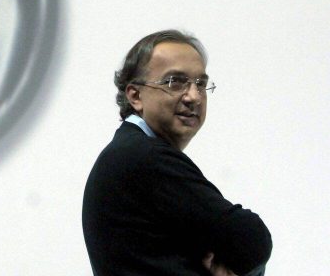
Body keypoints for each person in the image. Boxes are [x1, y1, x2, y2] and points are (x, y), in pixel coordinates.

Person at [82, 30, 272, 276]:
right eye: (175, 82)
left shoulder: (128, 153)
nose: (194, 96)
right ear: (135, 95)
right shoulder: (144, 158)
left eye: (201, 84)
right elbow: (253, 241)